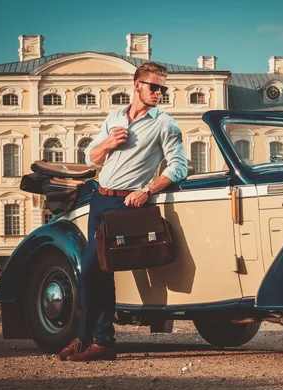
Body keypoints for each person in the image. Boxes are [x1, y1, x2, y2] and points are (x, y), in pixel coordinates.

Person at [57, 62, 188, 362]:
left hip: (124, 205)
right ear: (137, 85)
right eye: (154, 86)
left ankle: (89, 339)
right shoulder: (114, 117)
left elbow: (179, 166)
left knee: (92, 268)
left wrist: (147, 190)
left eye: (163, 88)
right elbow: (92, 157)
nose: (159, 93)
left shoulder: (165, 124)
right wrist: (108, 142)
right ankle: (99, 342)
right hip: (98, 198)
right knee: (100, 271)